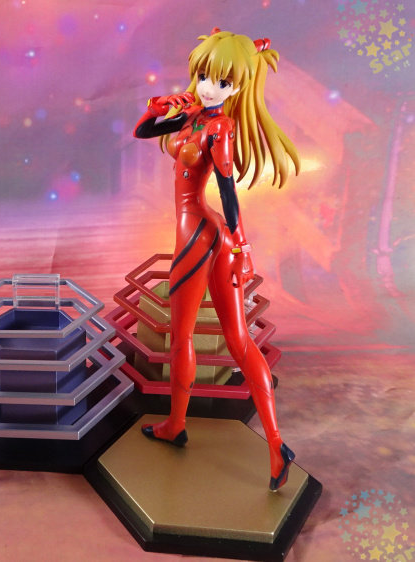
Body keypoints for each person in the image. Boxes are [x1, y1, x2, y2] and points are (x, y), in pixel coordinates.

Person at [133, 29, 300, 490]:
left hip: (198, 234)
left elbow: (228, 191)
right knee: (236, 339)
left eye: (223, 82)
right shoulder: (192, 116)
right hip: (210, 235)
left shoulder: (220, 127)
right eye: (205, 76)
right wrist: (159, 108)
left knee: (186, 336)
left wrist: (244, 248)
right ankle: (275, 447)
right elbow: (144, 131)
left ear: (239, 87)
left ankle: (177, 425)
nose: (210, 87)